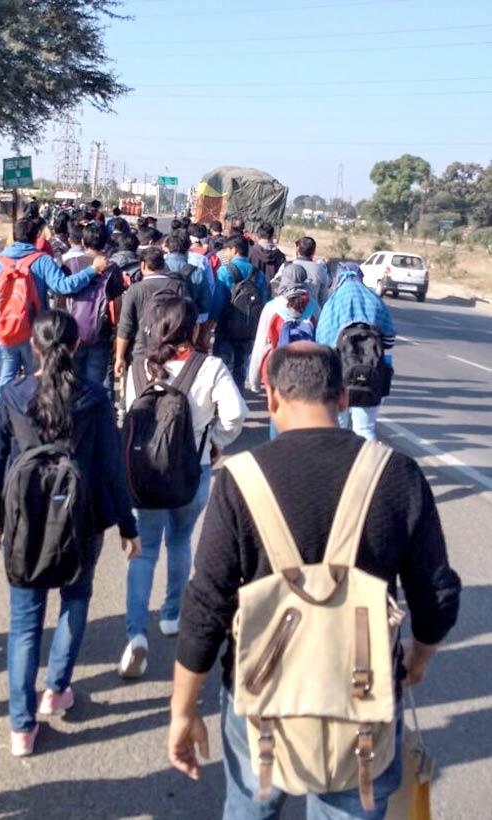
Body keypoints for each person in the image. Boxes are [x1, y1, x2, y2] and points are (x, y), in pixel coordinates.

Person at [168, 343, 461, 820]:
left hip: (260, 700)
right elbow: (437, 592)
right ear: (343, 399)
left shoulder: (240, 481)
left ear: (273, 396)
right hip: (363, 698)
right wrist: (419, 655)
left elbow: (207, 605)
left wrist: (182, 709)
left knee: (251, 807)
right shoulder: (396, 473)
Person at [0, 310, 140, 757]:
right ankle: (56, 689)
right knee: (75, 599)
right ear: (75, 347)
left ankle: (21, 727)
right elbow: (111, 467)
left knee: (24, 620)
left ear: (34, 346)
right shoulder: (92, 397)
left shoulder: (12, 395)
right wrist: (128, 527)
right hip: (82, 517)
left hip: (24, 518)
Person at [120, 295, 246, 678]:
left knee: (143, 554)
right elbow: (236, 414)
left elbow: (130, 416)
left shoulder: (140, 367)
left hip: (144, 476)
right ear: (193, 327)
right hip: (191, 472)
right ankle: (172, 614)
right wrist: (216, 441)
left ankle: (136, 634)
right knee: (179, 542)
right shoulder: (210, 368)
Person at [0, 217, 108, 400]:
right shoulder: (42, 261)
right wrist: (92, 270)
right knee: (36, 379)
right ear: (36, 237)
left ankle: (4, 417)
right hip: (34, 330)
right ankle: (33, 421)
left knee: (6, 378)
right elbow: (64, 286)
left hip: (4, 330)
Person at [316, 263, 395, 441]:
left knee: (338, 426)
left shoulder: (333, 302)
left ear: (339, 278)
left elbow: (322, 344)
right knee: (365, 429)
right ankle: (367, 467)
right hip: (371, 375)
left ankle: (340, 467)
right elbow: (390, 340)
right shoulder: (374, 299)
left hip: (339, 375)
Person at [248, 263, 319, 394]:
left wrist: (254, 380)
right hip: (306, 369)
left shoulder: (272, 307)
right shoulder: (314, 306)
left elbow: (261, 345)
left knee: (279, 411)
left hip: (276, 368)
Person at [69, 222, 125, 386]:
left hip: (72, 332)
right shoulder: (112, 268)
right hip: (101, 332)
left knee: (72, 384)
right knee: (95, 385)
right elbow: (117, 301)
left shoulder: (70, 264)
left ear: (83, 242)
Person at [114, 247, 182, 377]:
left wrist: (119, 357)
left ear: (143, 265)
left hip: (141, 353)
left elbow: (125, 327)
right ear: (163, 265)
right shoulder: (178, 286)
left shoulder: (135, 289)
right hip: (173, 351)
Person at [212, 236, 268, 391]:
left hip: (226, 325)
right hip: (249, 327)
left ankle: (223, 403)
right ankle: (240, 397)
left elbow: (218, 300)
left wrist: (213, 321)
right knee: (241, 367)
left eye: (226, 250)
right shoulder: (258, 274)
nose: (225, 253)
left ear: (234, 250)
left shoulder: (224, 271)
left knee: (223, 366)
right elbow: (263, 300)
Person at [164, 231, 212, 323]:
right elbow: (205, 304)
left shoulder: (158, 266)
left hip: (161, 319)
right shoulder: (197, 272)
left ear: (167, 246)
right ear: (188, 248)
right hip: (187, 321)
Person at [282, 236, 330, 308]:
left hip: (287, 310)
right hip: (311, 312)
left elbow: (277, 287)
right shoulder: (320, 269)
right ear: (314, 251)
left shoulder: (287, 266)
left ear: (297, 249)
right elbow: (324, 295)